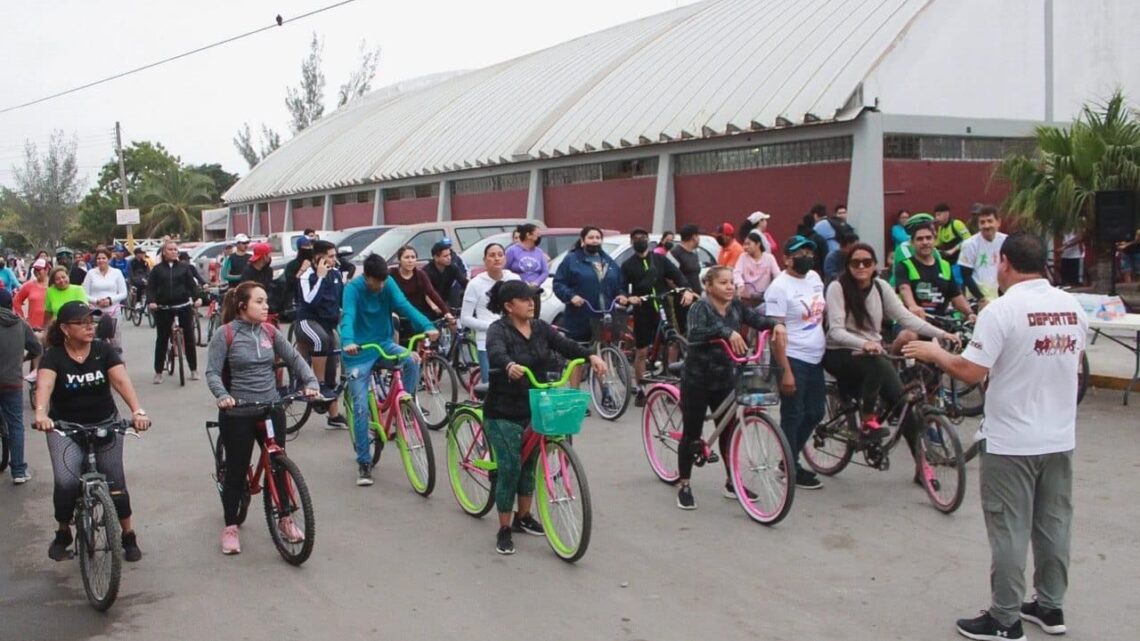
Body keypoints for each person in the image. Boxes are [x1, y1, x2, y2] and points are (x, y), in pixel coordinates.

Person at [903, 233, 1086, 641]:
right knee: (1054, 523)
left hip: (1012, 441)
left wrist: (934, 353)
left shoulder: (1002, 310)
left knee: (1009, 528)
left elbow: (970, 371)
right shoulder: (1071, 307)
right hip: (1059, 437)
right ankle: (1050, 605)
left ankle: (1005, 619)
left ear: (1003, 263)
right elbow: (1069, 367)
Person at [483, 279, 606, 555]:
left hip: (535, 403)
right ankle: (503, 528)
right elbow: (496, 353)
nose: (531, 303)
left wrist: (590, 357)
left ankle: (523, 517)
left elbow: (565, 345)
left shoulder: (539, 328)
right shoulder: (498, 329)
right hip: (503, 409)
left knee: (530, 464)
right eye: (526, 299)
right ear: (508, 306)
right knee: (511, 467)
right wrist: (509, 365)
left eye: (533, 298)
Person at [205, 282, 320, 554]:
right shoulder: (226, 334)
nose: (266, 306)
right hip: (238, 411)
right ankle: (231, 527)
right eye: (259, 301)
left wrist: (311, 381)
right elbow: (212, 372)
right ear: (242, 306)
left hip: (271, 408)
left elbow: (294, 358)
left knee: (279, 463)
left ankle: (285, 519)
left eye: (266, 300)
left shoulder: (270, 331)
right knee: (236, 469)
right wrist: (223, 395)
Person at [33, 301, 150, 563]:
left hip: (105, 423)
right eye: (82, 322)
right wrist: (41, 414)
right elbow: (45, 385)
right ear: (64, 328)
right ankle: (63, 533)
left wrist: (137, 411)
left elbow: (120, 380)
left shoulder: (102, 350)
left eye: (92, 321)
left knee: (116, 482)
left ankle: (128, 535)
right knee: (66, 482)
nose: (90, 326)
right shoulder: (54, 356)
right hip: (65, 429)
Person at [823, 243, 957, 449]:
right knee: (878, 362)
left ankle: (923, 468)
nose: (861, 267)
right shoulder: (837, 287)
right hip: (839, 352)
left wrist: (941, 333)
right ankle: (868, 420)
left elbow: (905, 317)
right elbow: (836, 331)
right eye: (855, 262)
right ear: (847, 266)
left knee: (903, 406)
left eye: (866, 262)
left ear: (875, 265)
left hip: (872, 354)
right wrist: (865, 343)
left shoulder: (880, 287)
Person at [676, 266, 787, 509]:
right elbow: (695, 334)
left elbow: (756, 319)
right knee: (692, 434)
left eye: (731, 283)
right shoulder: (700, 307)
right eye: (723, 283)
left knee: (728, 431)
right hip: (698, 378)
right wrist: (726, 332)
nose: (729, 287)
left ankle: (731, 481)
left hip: (726, 377)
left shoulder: (736, 306)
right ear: (709, 286)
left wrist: (774, 325)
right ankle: (684, 484)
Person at [340, 255, 438, 486]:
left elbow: (404, 306)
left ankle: (406, 405)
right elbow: (348, 316)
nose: (381, 286)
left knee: (411, 359)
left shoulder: (387, 282)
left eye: (384, 281)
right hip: (358, 350)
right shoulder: (353, 289)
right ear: (367, 277)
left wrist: (427, 326)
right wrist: (347, 341)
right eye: (377, 282)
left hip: (384, 343)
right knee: (361, 407)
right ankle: (364, 463)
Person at [765, 236, 827, 490]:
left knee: (815, 412)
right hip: (792, 357)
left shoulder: (814, 278)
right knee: (793, 413)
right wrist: (786, 371)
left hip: (816, 357)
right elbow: (775, 333)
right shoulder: (779, 288)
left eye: (809, 252)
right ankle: (791, 466)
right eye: (799, 253)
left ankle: (788, 457)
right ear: (787, 259)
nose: (806, 256)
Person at [620, 228, 696, 405]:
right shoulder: (628, 265)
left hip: (663, 305)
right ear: (632, 243)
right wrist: (627, 297)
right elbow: (622, 287)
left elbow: (678, 276)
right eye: (637, 238)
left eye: (644, 238)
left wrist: (686, 289)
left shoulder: (660, 259)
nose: (641, 241)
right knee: (642, 350)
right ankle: (641, 390)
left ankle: (673, 384)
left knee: (673, 342)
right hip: (643, 309)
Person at [552, 226, 627, 390]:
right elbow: (558, 283)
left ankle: (606, 393)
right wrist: (571, 296)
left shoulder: (609, 261)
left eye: (598, 238)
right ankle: (575, 394)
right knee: (577, 356)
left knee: (604, 352)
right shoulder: (572, 260)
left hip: (605, 315)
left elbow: (620, 285)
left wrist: (622, 295)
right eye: (591, 237)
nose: (595, 241)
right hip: (581, 316)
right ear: (583, 240)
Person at [294, 240, 346, 428]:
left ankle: (333, 416)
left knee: (333, 363)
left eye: (335, 256)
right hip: (307, 321)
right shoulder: (307, 275)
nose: (334, 260)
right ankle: (317, 383)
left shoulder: (336, 274)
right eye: (330, 256)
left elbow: (341, 300)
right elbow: (310, 302)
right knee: (320, 339)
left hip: (327, 323)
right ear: (318, 258)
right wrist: (321, 277)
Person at [0, 289, 43, 484]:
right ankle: (18, 471)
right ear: (10, 304)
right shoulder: (20, 324)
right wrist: (21, 359)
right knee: (16, 425)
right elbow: (36, 348)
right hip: (12, 382)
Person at [895, 219, 976, 322]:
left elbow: (956, 296)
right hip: (912, 321)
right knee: (908, 335)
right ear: (912, 243)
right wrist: (913, 306)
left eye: (928, 238)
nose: (925, 242)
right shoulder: (904, 265)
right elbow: (904, 289)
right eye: (920, 239)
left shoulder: (945, 266)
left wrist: (970, 313)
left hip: (940, 321)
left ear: (934, 240)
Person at [461, 244, 520, 383]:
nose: (496, 259)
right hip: (487, 342)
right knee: (491, 387)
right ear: (485, 260)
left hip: (514, 340)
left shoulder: (514, 279)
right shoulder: (475, 284)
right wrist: (493, 326)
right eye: (492, 255)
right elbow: (465, 318)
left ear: (505, 258)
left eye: (500, 255)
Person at [147, 240, 201, 383]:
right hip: (164, 308)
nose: (173, 252)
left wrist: (198, 298)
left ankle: (193, 370)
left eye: (175, 249)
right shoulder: (157, 270)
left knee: (189, 338)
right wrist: (152, 301)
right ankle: (158, 372)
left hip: (183, 306)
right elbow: (151, 288)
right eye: (170, 249)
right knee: (162, 339)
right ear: (164, 252)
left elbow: (192, 285)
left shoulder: (184, 268)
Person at [391, 245, 453, 336]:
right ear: (399, 259)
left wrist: (446, 311)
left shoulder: (420, 274)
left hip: (417, 313)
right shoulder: (391, 274)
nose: (410, 260)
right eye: (406, 257)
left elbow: (431, 293)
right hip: (397, 314)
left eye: (413, 257)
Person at [957, 205, 1008, 306]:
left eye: (990, 221)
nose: (986, 225)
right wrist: (981, 298)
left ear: (998, 222)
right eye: (982, 222)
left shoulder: (1007, 241)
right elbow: (966, 275)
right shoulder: (969, 244)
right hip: (978, 298)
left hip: (1002, 296)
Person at [82, 247, 129, 352]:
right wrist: (96, 301)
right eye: (98, 258)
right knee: (94, 341)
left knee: (115, 343)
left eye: (103, 258)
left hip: (113, 312)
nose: (101, 261)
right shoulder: (91, 273)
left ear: (108, 259)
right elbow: (84, 294)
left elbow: (123, 293)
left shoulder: (117, 273)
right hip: (95, 312)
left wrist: (110, 300)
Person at [504, 223, 549, 317]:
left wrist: (536, 283)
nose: (539, 236)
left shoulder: (539, 252)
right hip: (517, 293)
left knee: (534, 320)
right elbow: (505, 270)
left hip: (534, 292)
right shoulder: (512, 251)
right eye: (537, 234)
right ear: (529, 235)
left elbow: (545, 272)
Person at [733, 230, 781, 308]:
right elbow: (736, 273)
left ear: (758, 244)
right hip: (746, 298)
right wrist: (740, 285)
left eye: (748, 244)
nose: (745, 247)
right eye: (744, 244)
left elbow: (777, 275)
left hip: (763, 298)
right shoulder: (743, 257)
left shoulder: (769, 258)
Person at [425, 240, 468, 310]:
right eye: (445, 256)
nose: (449, 258)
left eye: (449, 255)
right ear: (436, 257)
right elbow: (426, 292)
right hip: (428, 305)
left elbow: (464, 282)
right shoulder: (427, 271)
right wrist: (433, 306)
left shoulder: (452, 268)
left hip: (445, 302)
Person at [933, 202, 971, 274]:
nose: (936, 218)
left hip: (960, 261)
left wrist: (953, 250)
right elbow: (938, 243)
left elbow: (968, 240)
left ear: (946, 214)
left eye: (939, 215)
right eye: (935, 215)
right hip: (948, 262)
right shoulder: (940, 228)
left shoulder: (957, 224)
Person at [14, 258, 50, 329]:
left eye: (39, 269)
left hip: (50, 329)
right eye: (35, 270)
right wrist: (22, 318)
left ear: (47, 270)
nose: (36, 272)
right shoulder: (29, 285)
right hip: (33, 328)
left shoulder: (54, 285)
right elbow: (16, 301)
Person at [670, 224, 704, 293]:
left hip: (696, 297)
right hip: (683, 299)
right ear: (694, 237)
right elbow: (669, 279)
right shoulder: (675, 253)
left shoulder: (694, 255)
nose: (699, 239)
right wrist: (683, 292)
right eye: (698, 236)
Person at [797, 211, 830, 275]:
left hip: (798, 272)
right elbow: (825, 258)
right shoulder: (819, 238)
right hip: (816, 272)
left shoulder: (796, 238)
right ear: (814, 223)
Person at [1059, 221, 1086, 287]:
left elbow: (1079, 238)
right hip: (1065, 256)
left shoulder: (1076, 227)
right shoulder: (1062, 228)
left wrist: (1066, 245)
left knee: (1076, 281)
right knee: (1065, 280)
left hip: (1075, 256)